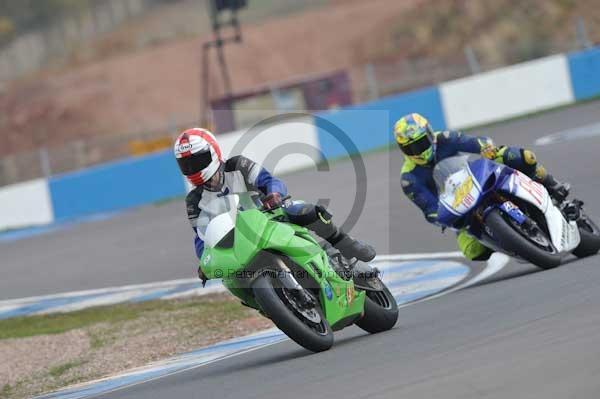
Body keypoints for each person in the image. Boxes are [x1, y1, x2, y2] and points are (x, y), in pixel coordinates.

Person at [174, 128, 376, 278]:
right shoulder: (194, 201)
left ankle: (346, 244)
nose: (193, 168)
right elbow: (202, 237)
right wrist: (205, 262)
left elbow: (271, 181)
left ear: (213, 152)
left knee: (305, 211)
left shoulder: (237, 165)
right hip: (239, 242)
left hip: (270, 216)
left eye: (198, 160)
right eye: (186, 164)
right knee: (230, 276)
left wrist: (274, 195)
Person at [394, 113, 570, 261]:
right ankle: (508, 240)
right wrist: (441, 217)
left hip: (477, 176)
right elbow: (429, 209)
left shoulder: (444, 139)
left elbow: (474, 142)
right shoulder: (409, 178)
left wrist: (486, 148)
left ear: (430, 134)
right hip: (458, 206)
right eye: (410, 149)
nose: (417, 151)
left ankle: (553, 185)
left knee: (522, 157)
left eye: (420, 144)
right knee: (472, 250)